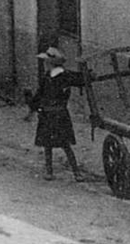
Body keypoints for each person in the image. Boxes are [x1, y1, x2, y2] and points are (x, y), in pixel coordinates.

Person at [25, 46, 87, 181]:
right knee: (49, 144)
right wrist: (33, 109)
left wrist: (87, 73)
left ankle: (75, 172)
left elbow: (81, 80)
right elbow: (39, 95)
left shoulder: (65, 76)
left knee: (64, 144)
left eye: (46, 61)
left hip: (58, 114)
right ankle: (52, 171)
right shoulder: (47, 76)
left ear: (51, 63)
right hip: (48, 114)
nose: (45, 63)